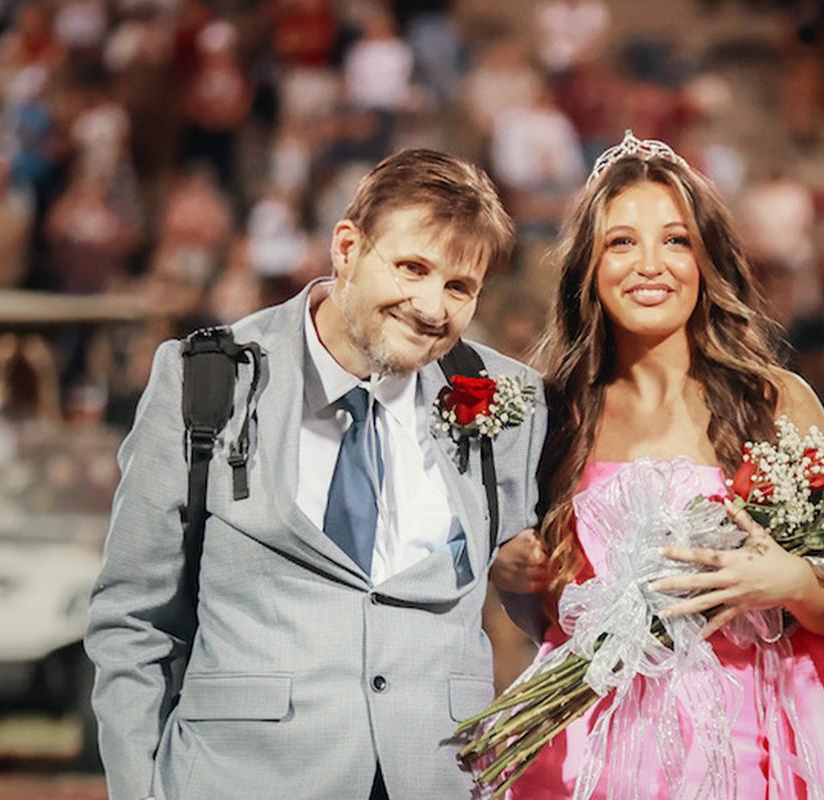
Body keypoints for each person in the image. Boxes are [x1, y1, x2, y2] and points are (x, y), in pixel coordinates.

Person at [85, 149, 548, 800]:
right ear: (347, 248)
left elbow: (544, 602)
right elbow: (133, 621)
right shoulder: (204, 380)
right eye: (412, 268)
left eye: (459, 287)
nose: (431, 306)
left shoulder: (509, 399)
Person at [491, 133, 824, 798]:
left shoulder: (775, 403)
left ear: (706, 258)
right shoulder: (552, 415)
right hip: (588, 759)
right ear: (589, 265)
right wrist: (511, 567)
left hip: (748, 754)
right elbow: (545, 605)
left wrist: (789, 581)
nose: (649, 265)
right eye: (621, 242)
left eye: (675, 240)